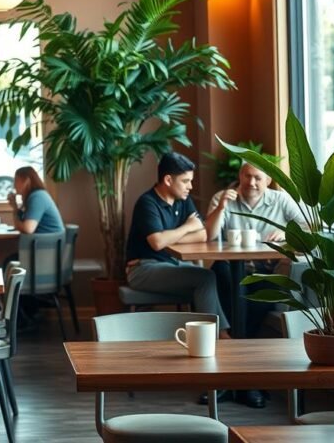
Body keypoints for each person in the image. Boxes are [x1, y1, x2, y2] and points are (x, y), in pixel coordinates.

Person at [202, 161, 306, 409]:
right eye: (247, 176)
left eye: (258, 178)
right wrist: (222, 207)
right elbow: (210, 235)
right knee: (220, 269)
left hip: (265, 272)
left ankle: (233, 379)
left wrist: (286, 233)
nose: (252, 182)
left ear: (268, 180)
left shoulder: (280, 200)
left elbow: (309, 227)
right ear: (240, 175)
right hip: (230, 273)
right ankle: (249, 383)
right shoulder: (223, 197)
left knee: (264, 295)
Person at [125, 152, 230, 334]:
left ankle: (208, 336)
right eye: (185, 181)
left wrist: (170, 236)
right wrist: (187, 227)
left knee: (214, 274)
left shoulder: (183, 200)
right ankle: (218, 336)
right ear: (168, 180)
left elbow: (202, 235)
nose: (190, 186)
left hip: (171, 264)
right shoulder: (147, 203)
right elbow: (157, 243)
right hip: (142, 269)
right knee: (205, 278)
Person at [7, 166, 64, 234]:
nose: (14, 185)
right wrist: (15, 207)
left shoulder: (38, 197)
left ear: (26, 181)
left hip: (49, 241)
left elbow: (28, 229)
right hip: (43, 240)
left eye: (16, 181)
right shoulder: (34, 196)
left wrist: (16, 221)